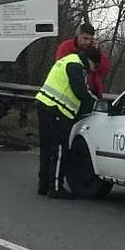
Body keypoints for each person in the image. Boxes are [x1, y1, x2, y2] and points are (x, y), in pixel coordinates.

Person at [34, 48, 99, 199]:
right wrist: (94, 102)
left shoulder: (68, 59)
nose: (92, 71)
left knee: (47, 148)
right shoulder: (76, 66)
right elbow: (80, 92)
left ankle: (43, 185)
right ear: (90, 61)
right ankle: (55, 188)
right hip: (56, 110)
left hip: (44, 105)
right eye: (94, 67)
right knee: (60, 149)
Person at [55, 23, 110, 98]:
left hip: (91, 92)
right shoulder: (66, 47)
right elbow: (61, 70)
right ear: (78, 35)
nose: (87, 42)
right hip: (69, 92)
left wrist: (97, 53)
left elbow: (104, 70)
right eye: (85, 38)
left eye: (91, 40)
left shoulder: (94, 50)